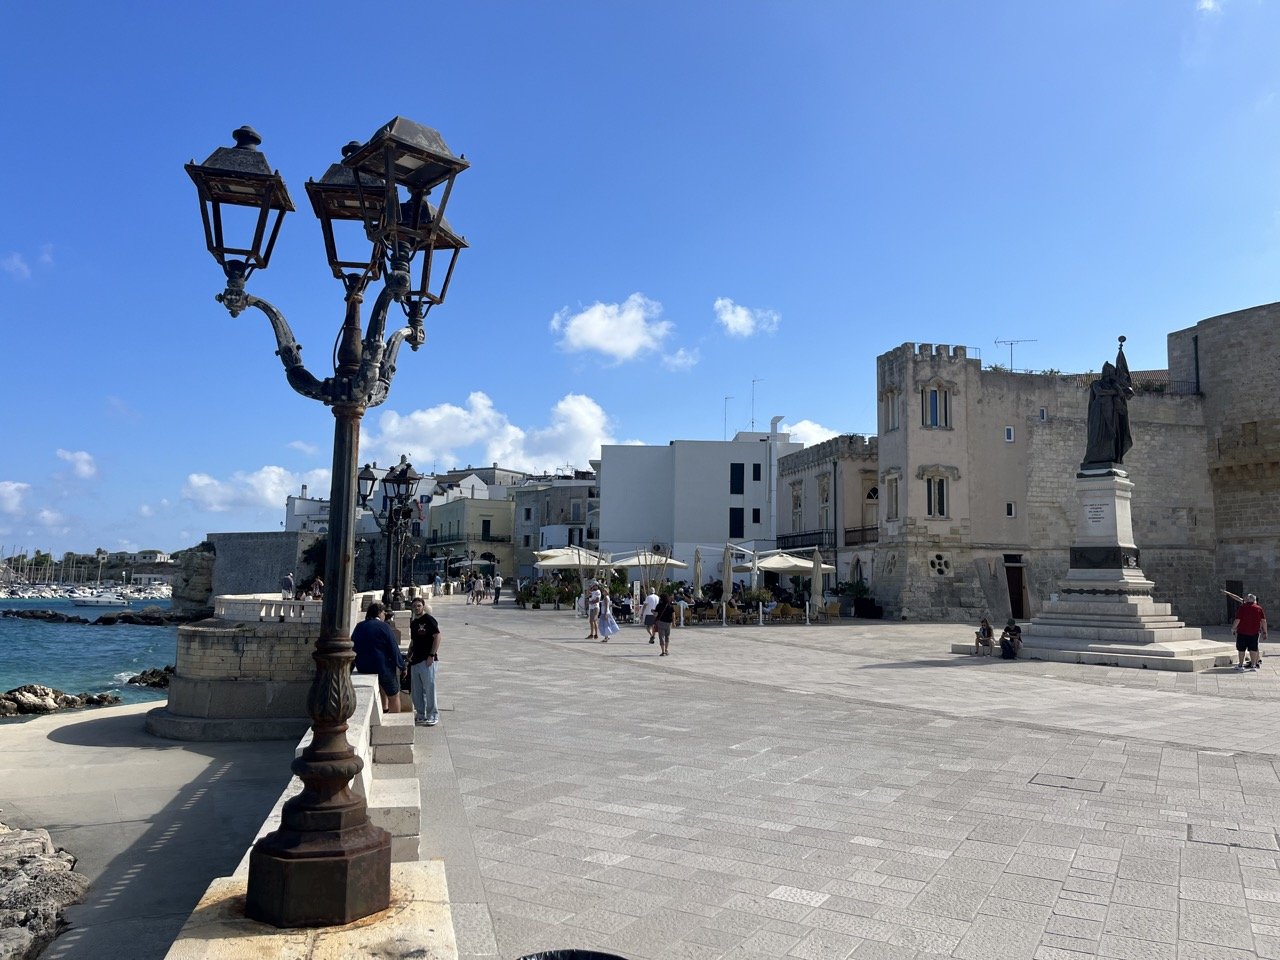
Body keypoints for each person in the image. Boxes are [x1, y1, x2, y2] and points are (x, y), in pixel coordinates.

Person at [352, 601, 405, 713]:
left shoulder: (359, 626)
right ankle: (395, 717)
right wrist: (402, 666)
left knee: (381, 687)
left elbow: (352, 647)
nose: (385, 615)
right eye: (384, 613)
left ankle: (384, 708)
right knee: (394, 695)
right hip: (382, 667)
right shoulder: (383, 626)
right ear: (380, 613)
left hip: (363, 667)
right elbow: (393, 648)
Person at [408, 597, 442, 726]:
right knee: (416, 691)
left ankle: (433, 714)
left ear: (423, 607)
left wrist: (431, 655)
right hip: (415, 660)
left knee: (429, 688)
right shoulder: (414, 623)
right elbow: (413, 641)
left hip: (427, 660)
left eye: (419, 606)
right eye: (415, 606)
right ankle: (421, 714)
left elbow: (437, 636)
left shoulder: (429, 620)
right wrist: (409, 655)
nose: (417, 608)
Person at [1232, 593, 1268, 672]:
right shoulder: (1259, 608)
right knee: (1253, 649)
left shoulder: (1242, 607)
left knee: (1241, 649)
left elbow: (1238, 619)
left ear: (1247, 600)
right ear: (1254, 600)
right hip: (1254, 633)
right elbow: (1264, 621)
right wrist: (1265, 632)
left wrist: (1233, 628)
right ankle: (1253, 665)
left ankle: (1241, 665)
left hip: (1242, 632)